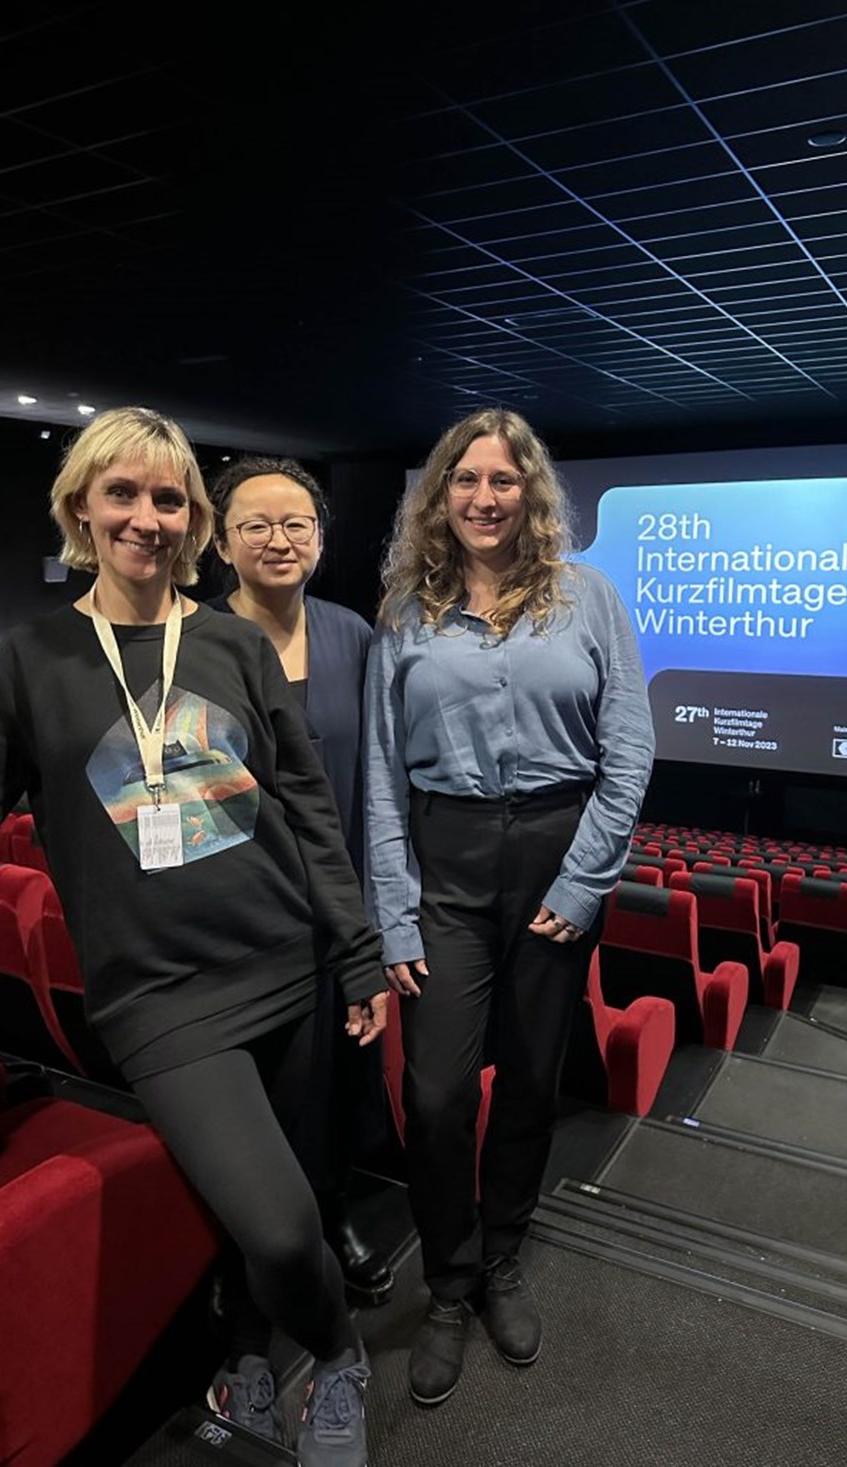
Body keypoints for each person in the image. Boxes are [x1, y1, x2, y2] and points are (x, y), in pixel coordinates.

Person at [0, 407, 385, 1466]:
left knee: (295, 1194)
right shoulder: (33, 659)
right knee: (275, 1224)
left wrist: (354, 947)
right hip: (161, 1001)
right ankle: (340, 1352)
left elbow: (308, 807)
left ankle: (251, 1357)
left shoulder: (228, 641)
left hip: (285, 960)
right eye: (121, 493)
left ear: (193, 520)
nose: (146, 516)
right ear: (79, 507)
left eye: (169, 498)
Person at [363, 407, 655, 1406]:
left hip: (553, 849)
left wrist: (582, 881)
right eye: (465, 480)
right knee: (438, 1093)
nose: (485, 498)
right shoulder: (404, 610)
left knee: (530, 1078)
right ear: (437, 496)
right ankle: (445, 1280)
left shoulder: (589, 599)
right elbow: (375, 775)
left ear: (528, 492)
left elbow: (627, 751)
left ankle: (500, 1259)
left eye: (503, 480)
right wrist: (393, 912)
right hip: (441, 856)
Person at [206, 455, 394, 1312]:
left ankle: (332, 1211)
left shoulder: (354, 635)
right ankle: (253, 1246)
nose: (280, 540)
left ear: (321, 538)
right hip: (247, 919)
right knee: (265, 1091)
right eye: (258, 524)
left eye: (298, 525)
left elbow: (376, 781)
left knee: (343, 1079)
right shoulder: (194, 643)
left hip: (344, 914)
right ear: (220, 540)